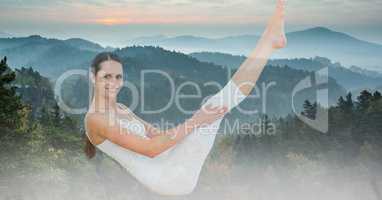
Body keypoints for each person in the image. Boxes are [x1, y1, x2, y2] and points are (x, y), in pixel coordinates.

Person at [84, 0, 287, 195]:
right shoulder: (95, 119)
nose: (114, 82)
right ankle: (269, 41)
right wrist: (196, 121)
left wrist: (196, 122)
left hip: (169, 160)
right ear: (93, 77)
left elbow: (155, 135)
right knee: (214, 107)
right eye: (106, 77)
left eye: (118, 76)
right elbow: (151, 149)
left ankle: (269, 41)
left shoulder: (121, 109)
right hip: (168, 177)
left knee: (211, 107)